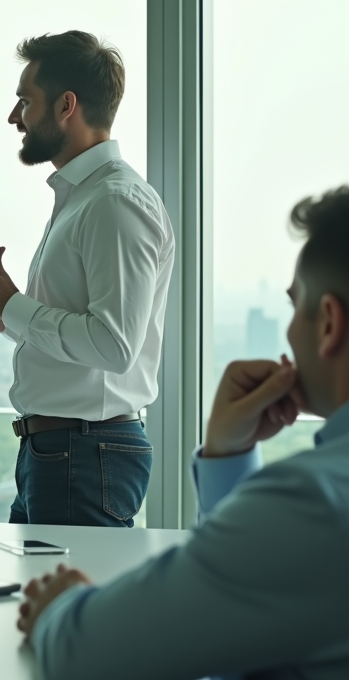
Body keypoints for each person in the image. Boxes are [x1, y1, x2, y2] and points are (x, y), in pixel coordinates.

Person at [17, 186, 349, 680]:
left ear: (327, 325)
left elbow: (91, 652)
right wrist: (227, 459)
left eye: (294, 306)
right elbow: (243, 596)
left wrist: (61, 607)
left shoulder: (316, 503)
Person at [0, 31, 175, 526]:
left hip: (84, 451)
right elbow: (81, 330)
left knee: (61, 603)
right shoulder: (85, 198)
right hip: (62, 451)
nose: (13, 117)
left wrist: (13, 306)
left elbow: (113, 345)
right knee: (40, 602)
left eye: (25, 101)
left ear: (66, 105)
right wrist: (1, 313)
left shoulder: (113, 202)